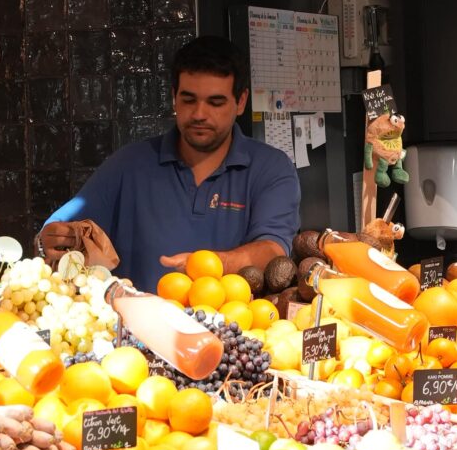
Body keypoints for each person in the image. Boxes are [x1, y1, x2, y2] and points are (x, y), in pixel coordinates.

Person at [37, 37, 300, 287]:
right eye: (188, 100)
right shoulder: (129, 164)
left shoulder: (271, 168)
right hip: (140, 331)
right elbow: (56, 231)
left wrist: (206, 264)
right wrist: (48, 241)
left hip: (235, 329)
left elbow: (273, 250)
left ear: (240, 101)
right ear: (174, 96)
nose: (199, 114)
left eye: (215, 102)